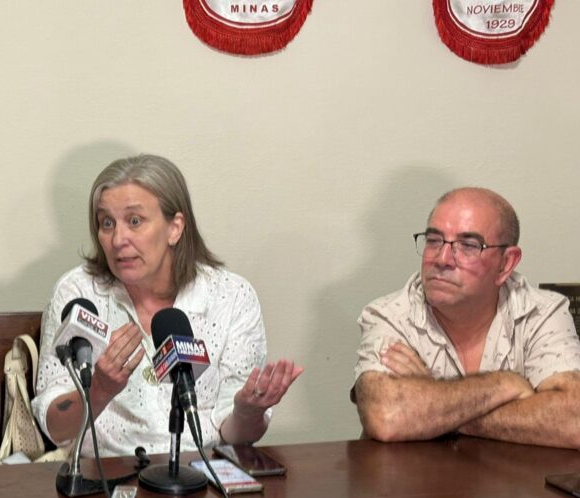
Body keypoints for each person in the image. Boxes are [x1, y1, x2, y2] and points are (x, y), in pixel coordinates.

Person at [32, 154, 302, 457]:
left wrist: (247, 412)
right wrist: (100, 390)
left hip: (202, 471)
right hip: (107, 473)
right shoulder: (78, 293)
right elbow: (56, 429)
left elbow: (237, 435)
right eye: (107, 223)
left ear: (175, 227)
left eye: (135, 221)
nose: (118, 239)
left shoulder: (232, 296)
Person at [353, 187, 580, 448]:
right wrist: (503, 384)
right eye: (434, 240)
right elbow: (386, 416)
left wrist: (433, 403)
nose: (442, 259)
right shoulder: (390, 315)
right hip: (416, 475)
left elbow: (574, 421)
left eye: (469, 246)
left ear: (506, 264)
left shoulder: (542, 311)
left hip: (511, 475)